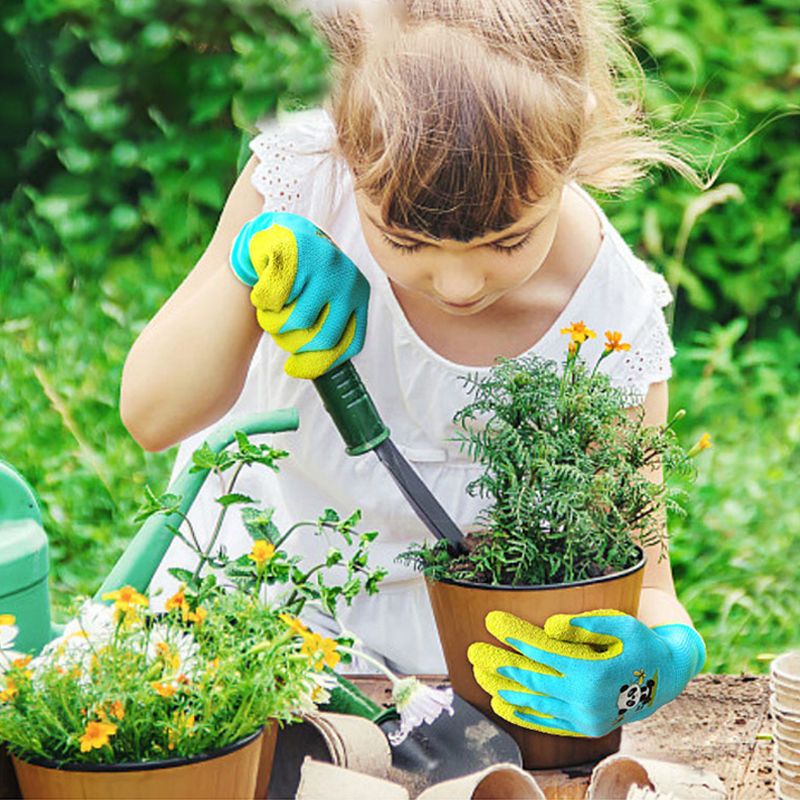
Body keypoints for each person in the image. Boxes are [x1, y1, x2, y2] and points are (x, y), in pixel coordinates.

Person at [120, 0, 706, 726]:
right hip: (244, 614)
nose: (459, 284)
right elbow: (151, 416)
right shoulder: (307, 186)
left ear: (573, 136)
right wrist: (251, 267)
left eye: (505, 241)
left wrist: (656, 668)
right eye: (405, 238)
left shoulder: (607, 317)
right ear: (343, 135)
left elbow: (646, 587)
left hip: (459, 682)